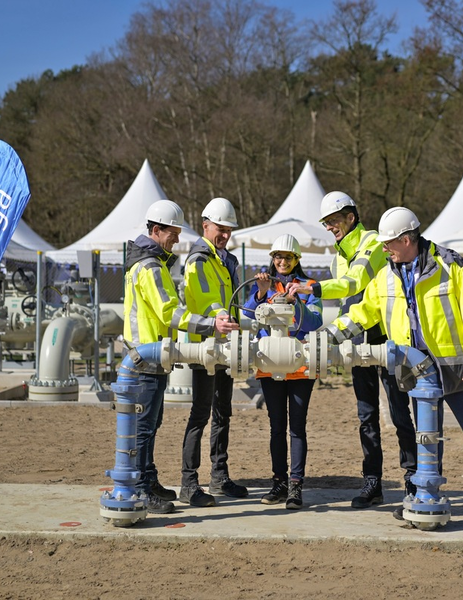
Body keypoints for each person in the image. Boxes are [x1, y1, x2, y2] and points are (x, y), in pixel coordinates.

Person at [326, 206, 463, 527]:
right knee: (426, 437)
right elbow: (363, 313)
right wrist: (328, 337)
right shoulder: (386, 275)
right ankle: (425, 496)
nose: (384, 249)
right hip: (415, 367)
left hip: (453, 367)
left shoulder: (449, 267)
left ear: (408, 239)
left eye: (389, 243)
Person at [285, 191, 418, 509]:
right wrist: (326, 335)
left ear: (351, 217)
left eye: (334, 221)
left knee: (400, 415)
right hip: (356, 337)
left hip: (386, 337)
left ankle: (413, 480)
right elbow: (346, 301)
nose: (331, 227)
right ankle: (372, 482)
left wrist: (313, 286)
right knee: (366, 416)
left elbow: (353, 283)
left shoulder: (372, 241)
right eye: (327, 223)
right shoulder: (337, 256)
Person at [123, 199, 237, 514]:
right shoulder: (150, 266)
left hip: (152, 356)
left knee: (151, 423)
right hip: (146, 356)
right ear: (157, 230)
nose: (176, 239)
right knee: (144, 427)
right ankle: (142, 490)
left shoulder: (152, 263)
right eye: (173, 233)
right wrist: (211, 322)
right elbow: (170, 312)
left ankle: (149, 479)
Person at [242, 234, 323, 510]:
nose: (282, 261)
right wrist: (262, 294)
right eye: (278, 256)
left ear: (296, 259)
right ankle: (279, 482)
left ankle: (296, 485)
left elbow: (314, 321)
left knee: (297, 427)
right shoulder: (264, 284)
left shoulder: (309, 286)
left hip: (300, 365)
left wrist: (297, 300)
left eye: (288, 257)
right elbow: (248, 316)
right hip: (269, 362)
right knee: (277, 426)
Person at [177, 197, 247, 507]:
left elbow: (233, 300)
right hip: (205, 346)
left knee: (223, 413)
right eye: (221, 229)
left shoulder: (226, 259)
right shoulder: (199, 259)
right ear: (205, 225)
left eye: (229, 230)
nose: (225, 235)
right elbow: (204, 297)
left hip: (226, 345)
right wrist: (219, 316)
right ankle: (188, 483)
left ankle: (219, 476)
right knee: (201, 414)